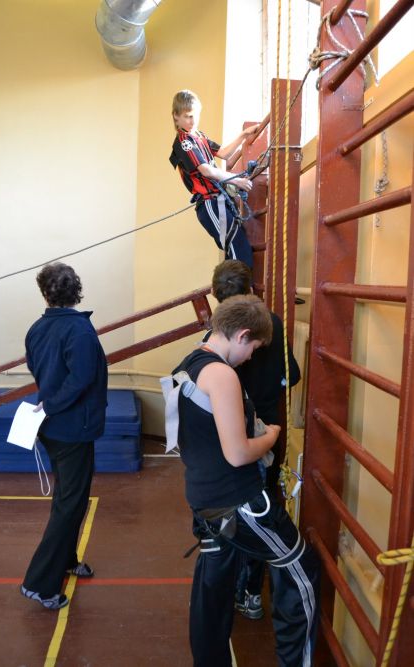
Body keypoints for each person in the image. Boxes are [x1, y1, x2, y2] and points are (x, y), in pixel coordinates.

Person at [164, 295, 319, 667]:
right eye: (253, 348)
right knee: (301, 568)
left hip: (204, 497)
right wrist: (271, 436)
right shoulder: (222, 375)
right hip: (238, 501)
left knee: (214, 583)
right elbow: (237, 453)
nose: (251, 357)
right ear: (242, 334)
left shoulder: (190, 362)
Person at [211, 259, 302, 622]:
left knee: (228, 511)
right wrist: (271, 385)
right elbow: (292, 374)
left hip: (233, 433)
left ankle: (227, 586)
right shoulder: (272, 323)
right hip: (265, 430)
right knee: (259, 509)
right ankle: (250, 592)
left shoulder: (218, 334)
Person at [20, 263, 108, 610]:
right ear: (77, 291)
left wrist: (49, 403)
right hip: (71, 429)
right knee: (70, 504)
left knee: (70, 497)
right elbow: (81, 378)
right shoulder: (80, 330)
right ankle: (40, 584)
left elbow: (36, 368)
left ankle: (67, 559)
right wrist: (54, 404)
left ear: (45, 293)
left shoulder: (37, 329)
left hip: (53, 428)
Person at [169, 89, 257, 268]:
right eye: (187, 116)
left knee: (237, 248)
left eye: (195, 115)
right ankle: (240, 286)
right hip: (209, 202)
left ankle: (237, 285)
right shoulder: (184, 142)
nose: (193, 121)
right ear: (176, 116)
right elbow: (206, 170)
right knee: (237, 249)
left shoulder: (199, 136)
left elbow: (224, 153)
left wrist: (243, 135)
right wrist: (236, 180)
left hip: (219, 201)